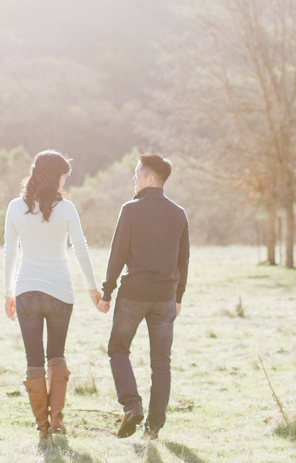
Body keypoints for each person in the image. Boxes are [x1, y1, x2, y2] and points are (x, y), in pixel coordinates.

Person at [4, 150, 104, 438]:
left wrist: (8, 292)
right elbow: (81, 250)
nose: (64, 181)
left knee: (33, 359)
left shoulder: (15, 207)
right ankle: (57, 420)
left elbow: (10, 252)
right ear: (54, 176)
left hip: (26, 291)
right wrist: (92, 289)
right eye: (63, 175)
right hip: (61, 292)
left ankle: (42, 427)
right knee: (56, 355)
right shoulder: (67, 209)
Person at [98, 153, 190, 440]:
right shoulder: (179, 213)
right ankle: (153, 428)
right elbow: (184, 260)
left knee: (117, 349)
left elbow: (118, 254)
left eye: (137, 174)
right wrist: (179, 296)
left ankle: (132, 405)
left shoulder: (130, 210)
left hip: (133, 296)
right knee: (161, 362)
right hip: (164, 299)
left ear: (150, 179)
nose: (133, 179)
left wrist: (107, 291)